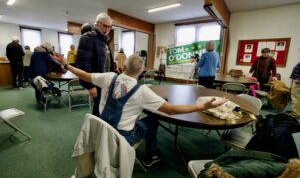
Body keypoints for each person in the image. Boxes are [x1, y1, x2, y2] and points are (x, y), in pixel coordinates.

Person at [58, 54, 227, 167]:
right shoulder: (142, 91)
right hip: (121, 138)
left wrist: (66, 64)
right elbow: (171, 110)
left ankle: (149, 153)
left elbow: (85, 75)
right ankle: (150, 155)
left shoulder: (109, 76)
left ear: (123, 67)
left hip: (102, 128)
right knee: (152, 120)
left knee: (144, 117)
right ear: (141, 71)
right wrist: (202, 106)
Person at [76, 13, 114, 117]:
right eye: (105, 25)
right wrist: (90, 86)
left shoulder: (104, 39)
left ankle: (99, 128)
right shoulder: (88, 38)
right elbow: (83, 64)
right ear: (97, 23)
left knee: (103, 106)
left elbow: (108, 61)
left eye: (109, 26)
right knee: (98, 108)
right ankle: (94, 129)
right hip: (96, 81)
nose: (107, 29)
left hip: (106, 80)